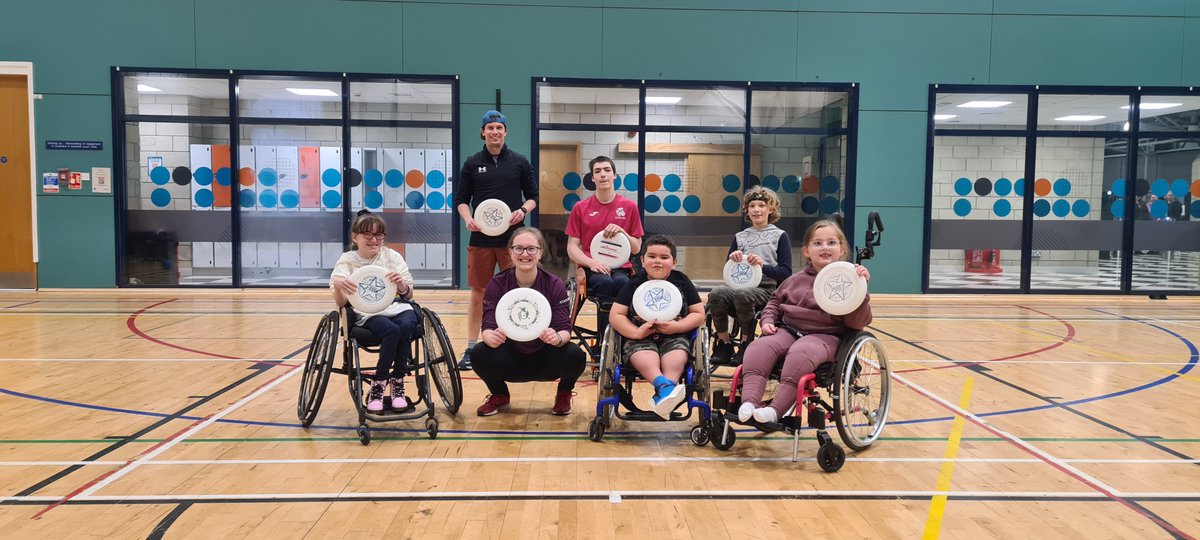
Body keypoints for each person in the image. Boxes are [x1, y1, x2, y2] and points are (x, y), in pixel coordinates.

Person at [735, 219, 872, 425]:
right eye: (817, 243)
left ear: (842, 249)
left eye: (831, 242)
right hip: (789, 330)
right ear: (807, 251)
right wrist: (767, 320)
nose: (824, 247)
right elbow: (774, 302)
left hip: (827, 335)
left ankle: (775, 411)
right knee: (758, 348)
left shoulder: (852, 280)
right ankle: (749, 403)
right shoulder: (794, 280)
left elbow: (857, 323)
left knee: (801, 352)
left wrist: (861, 291)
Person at [454, 110, 538, 371]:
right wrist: (468, 218)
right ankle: (471, 347)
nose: (495, 132)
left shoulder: (520, 161)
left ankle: (518, 344)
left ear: (505, 132)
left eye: (499, 128)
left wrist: (522, 210)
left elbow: (533, 197)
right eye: (490, 128)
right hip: (481, 239)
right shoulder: (472, 163)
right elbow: (460, 200)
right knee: (479, 293)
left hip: (513, 241)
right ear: (483, 132)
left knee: (515, 292)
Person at [472, 227, 588, 416]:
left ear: (540, 252)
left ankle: (564, 394)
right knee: (479, 353)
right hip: (510, 356)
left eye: (531, 249)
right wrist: (489, 337)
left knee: (575, 355)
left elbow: (564, 329)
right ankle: (500, 395)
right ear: (510, 252)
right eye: (518, 248)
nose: (525, 254)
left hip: (545, 357)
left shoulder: (554, 284)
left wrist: (557, 338)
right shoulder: (497, 283)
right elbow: (488, 325)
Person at [329, 210, 417, 413]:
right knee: (392, 330)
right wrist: (339, 287)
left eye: (379, 235)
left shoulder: (391, 256)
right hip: (368, 312)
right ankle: (379, 385)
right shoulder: (347, 261)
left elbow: (409, 294)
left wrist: (401, 285)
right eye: (368, 234)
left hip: (397, 306)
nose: (374, 239)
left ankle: (397, 383)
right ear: (355, 237)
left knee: (407, 325)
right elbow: (341, 303)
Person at [609, 235, 704, 419]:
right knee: (644, 354)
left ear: (674, 262)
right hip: (640, 337)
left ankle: (666, 392)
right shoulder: (634, 283)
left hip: (674, 335)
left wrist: (677, 327)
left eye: (664, 257)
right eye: (652, 256)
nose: (658, 261)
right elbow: (616, 315)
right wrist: (636, 332)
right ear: (642, 261)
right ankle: (665, 388)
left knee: (677, 355)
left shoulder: (682, 281)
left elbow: (698, 314)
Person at [707, 186, 792, 366]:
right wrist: (734, 259)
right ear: (747, 210)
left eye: (761, 205)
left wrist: (763, 266)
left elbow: (786, 273)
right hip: (739, 286)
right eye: (752, 206)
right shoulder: (740, 236)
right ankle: (724, 343)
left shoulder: (780, 236)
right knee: (717, 293)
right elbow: (728, 269)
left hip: (767, 289)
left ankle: (746, 344)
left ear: (771, 209)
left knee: (742, 294)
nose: (756, 209)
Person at [566, 155, 644, 340]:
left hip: (620, 268)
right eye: (597, 171)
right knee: (605, 283)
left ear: (614, 175)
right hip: (592, 268)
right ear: (592, 178)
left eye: (607, 170)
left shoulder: (629, 207)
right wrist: (591, 262)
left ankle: (622, 338)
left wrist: (623, 232)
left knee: (622, 283)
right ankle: (604, 341)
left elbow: (636, 249)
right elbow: (572, 247)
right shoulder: (581, 207)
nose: (603, 174)